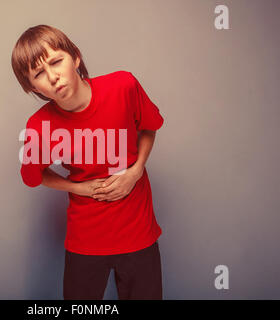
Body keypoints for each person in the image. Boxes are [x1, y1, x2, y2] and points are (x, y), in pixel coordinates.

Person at [11, 25, 165, 300]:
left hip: (138, 232)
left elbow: (149, 125)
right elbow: (33, 176)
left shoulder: (123, 85)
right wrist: (79, 188)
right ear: (31, 87)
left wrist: (136, 170)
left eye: (57, 62)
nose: (53, 77)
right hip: (86, 239)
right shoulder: (39, 126)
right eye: (39, 74)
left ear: (75, 57)